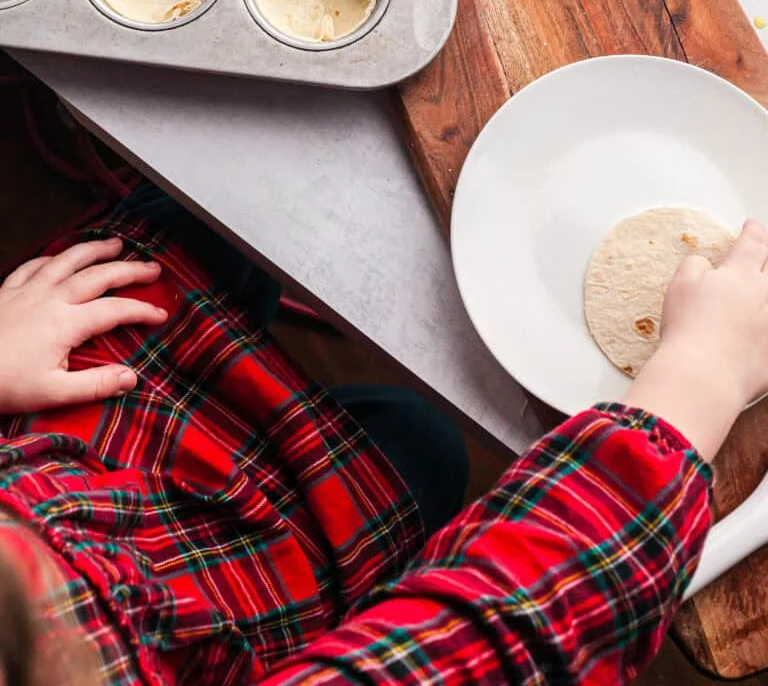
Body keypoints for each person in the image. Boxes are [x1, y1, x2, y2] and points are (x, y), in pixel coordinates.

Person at [0, 184, 765, 686]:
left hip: (64, 465)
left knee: (191, 220)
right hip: (220, 605)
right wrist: (704, 374)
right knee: (420, 445)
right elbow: (498, 636)